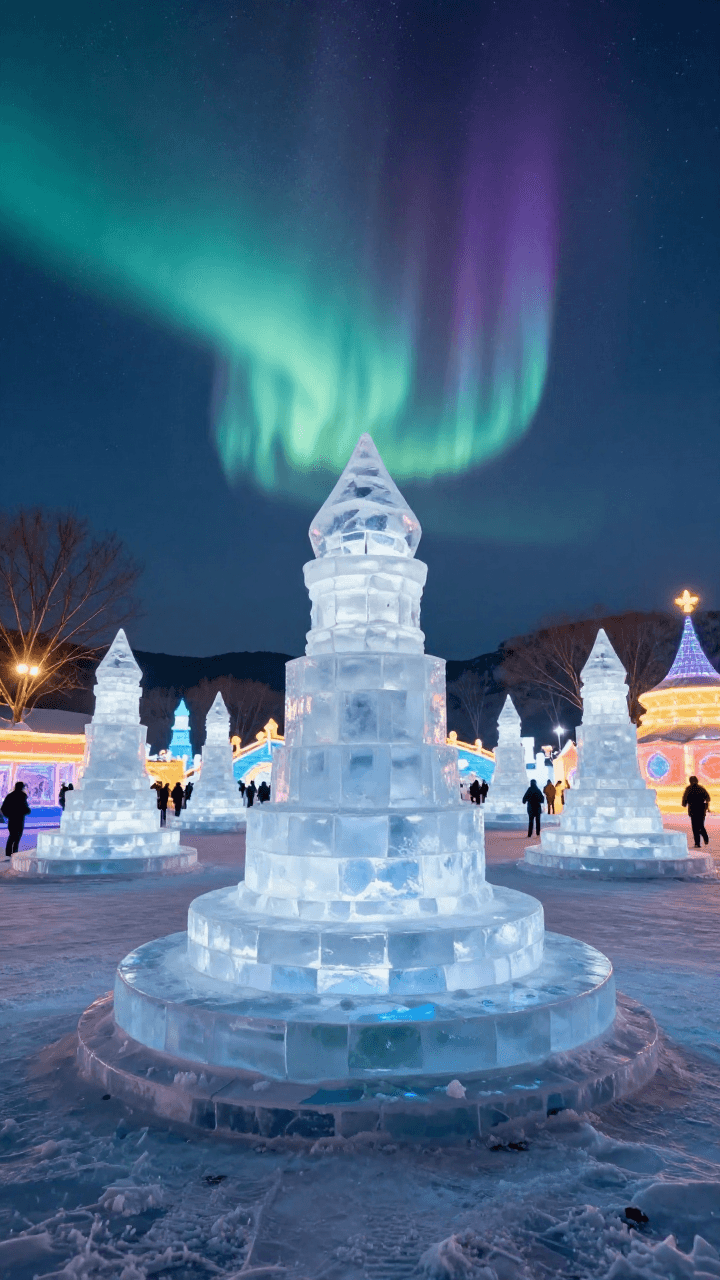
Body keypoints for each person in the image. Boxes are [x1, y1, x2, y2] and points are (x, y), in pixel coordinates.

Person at [2, 781, 31, 857]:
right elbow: (25, 807)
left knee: (11, 836)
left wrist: (8, 815)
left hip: (12, 819)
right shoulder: (22, 795)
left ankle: (8, 854)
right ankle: (14, 853)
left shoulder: (10, 796)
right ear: (22, 787)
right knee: (17, 838)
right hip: (20, 819)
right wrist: (27, 811)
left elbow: (3, 808)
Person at [682, 775, 710, 849]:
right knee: (701, 825)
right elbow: (708, 798)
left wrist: (685, 804)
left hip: (693, 810)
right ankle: (705, 836)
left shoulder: (688, 789)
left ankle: (697, 843)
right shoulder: (701, 788)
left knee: (695, 827)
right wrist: (706, 805)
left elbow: (684, 801)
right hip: (701, 810)